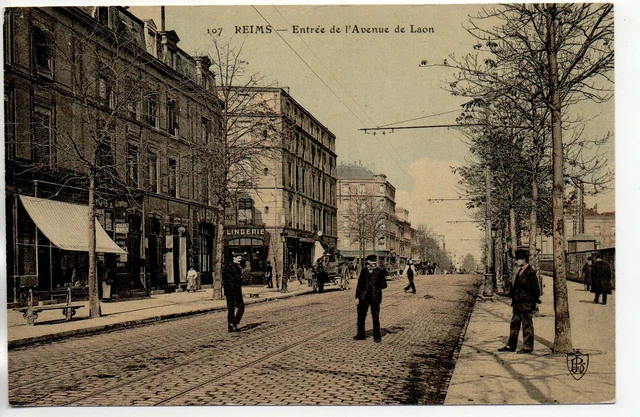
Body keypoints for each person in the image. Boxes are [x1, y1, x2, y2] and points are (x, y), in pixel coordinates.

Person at [498, 249, 541, 354]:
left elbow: (536, 290)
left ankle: (527, 347)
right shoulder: (521, 271)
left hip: (526, 304)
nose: (516, 261)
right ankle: (511, 345)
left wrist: (532, 303)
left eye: (518, 259)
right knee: (514, 325)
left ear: (524, 260)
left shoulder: (530, 272)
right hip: (517, 304)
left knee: (527, 326)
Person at [355, 261, 388, 343]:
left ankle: (377, 337)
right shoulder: (364, 271)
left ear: (375, 264)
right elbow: (359, 284)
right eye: (369, 264)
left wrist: (376, 287)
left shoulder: (379, 272)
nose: (371, 266)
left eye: (373, 264)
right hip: (363, 297)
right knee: (361, 317)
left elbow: (384, 285)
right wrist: (357, 297)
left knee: (375, 317)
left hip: (375, 297)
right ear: (367, 264)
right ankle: (360, 335)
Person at [222, 254, 246, 332]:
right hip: (235, 290)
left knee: (231, 308)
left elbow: (224, 278)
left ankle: (230, 325)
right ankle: (235, 322)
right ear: (234, 258)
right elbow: (238, 279)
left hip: (228, 291)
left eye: (241, 258)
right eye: (238, 258)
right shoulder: (237, 268)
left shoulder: (226, 267)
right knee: (241, 307)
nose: (240, 259)